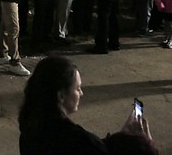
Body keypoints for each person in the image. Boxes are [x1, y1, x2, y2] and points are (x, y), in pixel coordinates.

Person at [19, 56, 155, 155]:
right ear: (61, 96)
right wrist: (145, 143)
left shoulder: (30, 129)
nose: (82, 93)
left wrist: (120, 138)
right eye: (77, 89)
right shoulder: (80, 140)